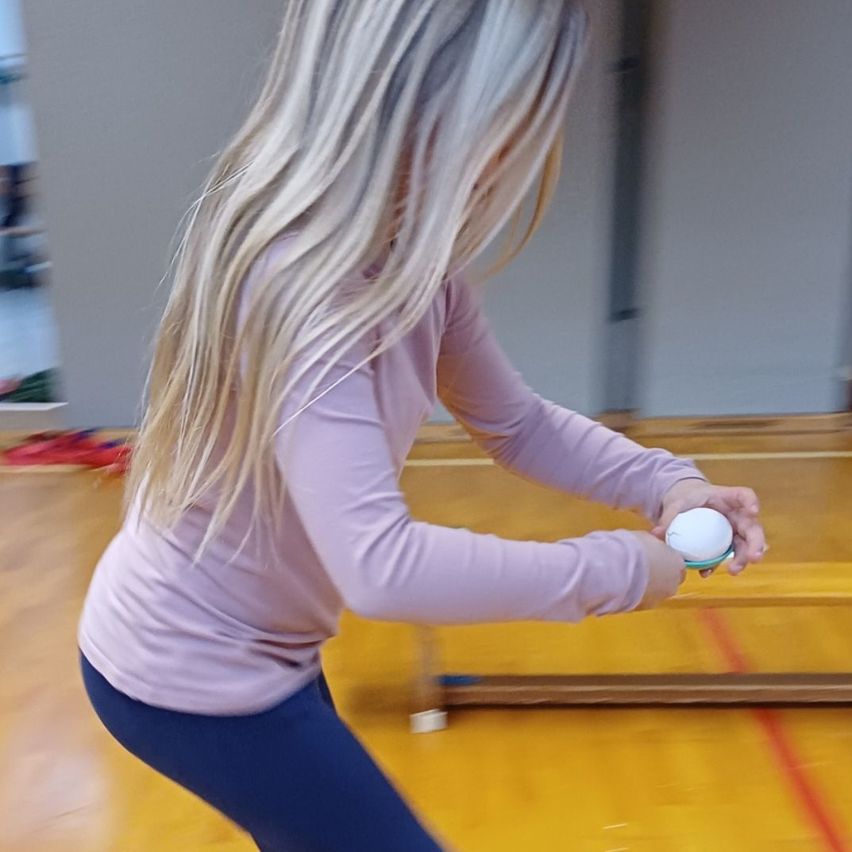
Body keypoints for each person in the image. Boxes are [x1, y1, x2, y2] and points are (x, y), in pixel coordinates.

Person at [79, 2, 766, 850]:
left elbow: (516, 424)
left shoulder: (417, 268)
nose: (524, 151)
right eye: (513, 119)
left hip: (258, 654)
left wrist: (667, 481)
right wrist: (626, 567)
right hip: (184, 670)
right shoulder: (309, 292)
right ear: (423, 109)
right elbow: (382, 569)